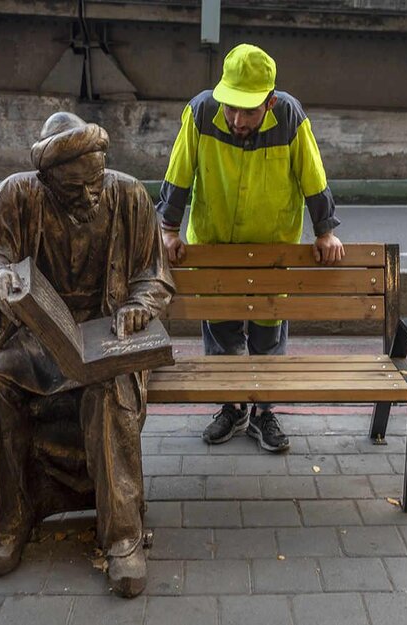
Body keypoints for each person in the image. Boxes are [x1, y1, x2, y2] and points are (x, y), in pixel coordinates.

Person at [0, 112, 174, 597]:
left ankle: (122, 537)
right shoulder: (16, 195)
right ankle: (8, 525)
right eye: (74, 188)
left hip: (107, 332)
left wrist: (138, 307)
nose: (89, 196)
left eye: (95, 182)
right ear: (47, 178)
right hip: (37, 337)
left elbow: (155, 275)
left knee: (106, 383)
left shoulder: (128, 195)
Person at [156, 43, 345, 453]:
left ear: (270, 101)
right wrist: (169, 229)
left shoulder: (290, 117)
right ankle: (232, 406)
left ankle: (263, 411)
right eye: (232, 108)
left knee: (267, 335)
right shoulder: (202, 112)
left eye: (249, 110)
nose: (238, 120)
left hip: (272, 252)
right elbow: (179, 170)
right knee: (221, 334)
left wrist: (325, 231)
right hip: (215, 248)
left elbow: (313, 174)